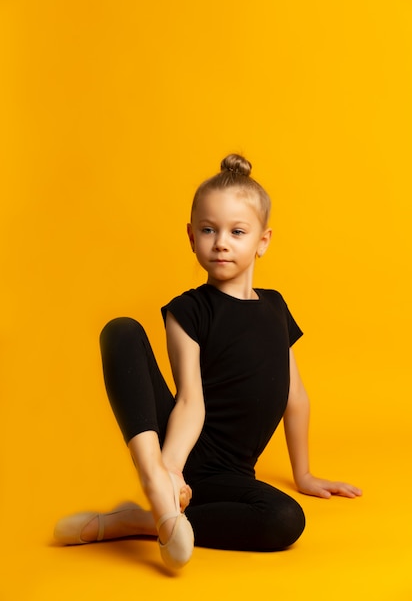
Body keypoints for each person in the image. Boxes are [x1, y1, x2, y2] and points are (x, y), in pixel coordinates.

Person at [54, 154, 362, 569]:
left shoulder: (275, 307)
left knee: (285, 520)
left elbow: (296, 397)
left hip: (229, 475)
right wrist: (171, 468)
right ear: (190, 236)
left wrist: (304, 475)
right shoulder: (189, 310)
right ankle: (155, 484)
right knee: (121, 330)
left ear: (263, 241)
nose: (221, 242)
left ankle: (143, 521)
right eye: (208, 230)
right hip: (179, 448)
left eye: (237, 231)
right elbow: (190, 400)